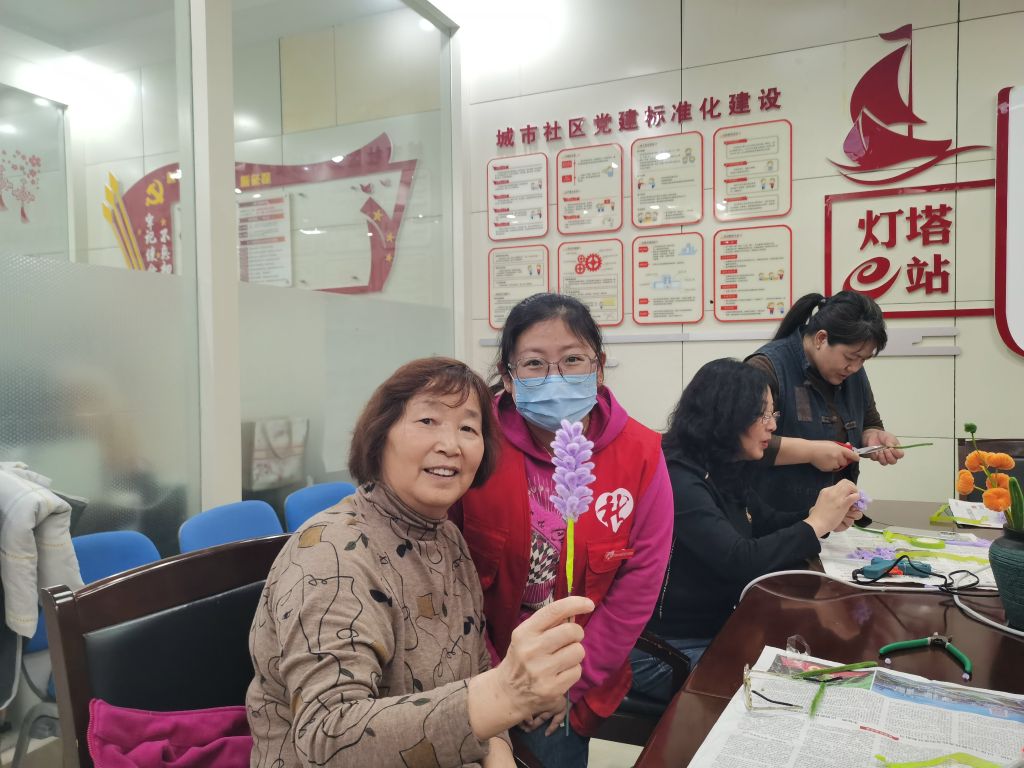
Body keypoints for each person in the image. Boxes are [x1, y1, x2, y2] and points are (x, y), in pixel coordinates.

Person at [247, 357, 595, 768]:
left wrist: (499, 748)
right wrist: (504, 693)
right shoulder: (332, 553)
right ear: (381, 435)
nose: (450, 444)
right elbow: (328, 739)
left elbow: (476, 673)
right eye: (428, 421)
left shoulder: (448, 538)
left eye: (468, 428)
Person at [455, 293, 673, 768]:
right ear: (508, 377)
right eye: (534, 364)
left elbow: (639, 585)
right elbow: (450, 576)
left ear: (599, 368)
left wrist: (565, 684)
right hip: (475, 670)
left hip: (573, 685)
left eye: (573, 360)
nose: (555, 377)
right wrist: (505, 679)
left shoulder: (641, 452)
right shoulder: (472, 442)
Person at [631, 359, 863, 703]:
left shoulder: (722, 463)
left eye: (773, 414)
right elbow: (738, 560)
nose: (772, 426)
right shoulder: (677, 478)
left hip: (716, 627)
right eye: (763, 415)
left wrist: (822, 518)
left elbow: (763, 521)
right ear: (728, 416)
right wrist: (814, 524)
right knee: (790, 694)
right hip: (665, 649)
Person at [745, 290, 903, 516]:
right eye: (850, 357)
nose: (855, 367)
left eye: (863, 360)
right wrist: (811, 452)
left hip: (832, 518)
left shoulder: (853, 371)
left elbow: (869, 422)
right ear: (821, 338)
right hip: (772, 518)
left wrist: (873, 437)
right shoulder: (766, 368)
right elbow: (743, 440)